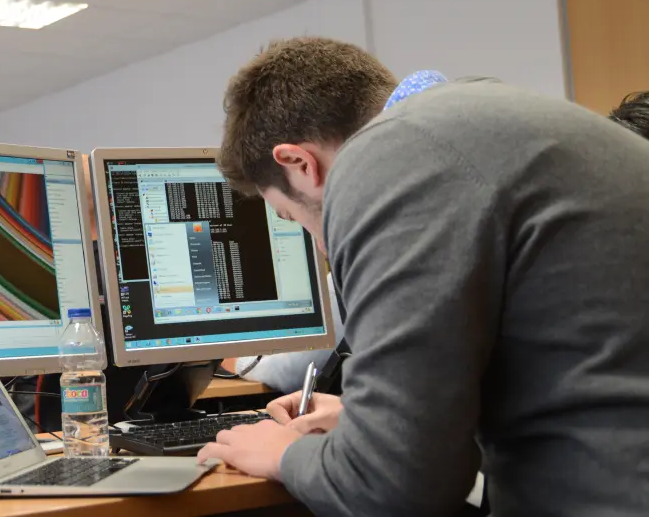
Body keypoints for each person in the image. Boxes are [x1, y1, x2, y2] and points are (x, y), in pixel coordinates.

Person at [198, 37, 649, 516]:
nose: (323, 248)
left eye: (294, 218)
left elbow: (395, 488)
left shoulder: (392, 159)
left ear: (299, 163)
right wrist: (367, 426)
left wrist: (284, 454)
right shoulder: (479, 117)